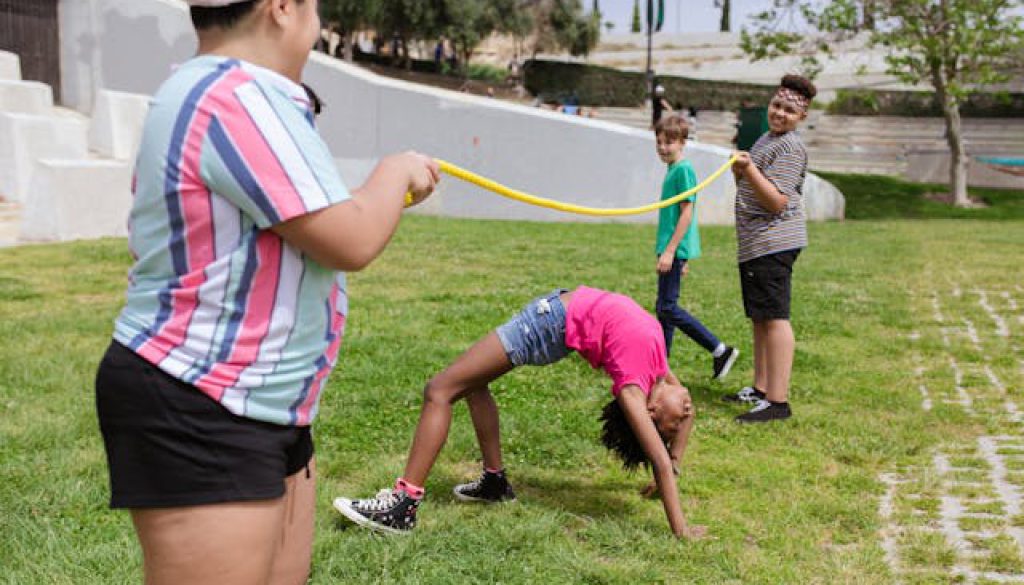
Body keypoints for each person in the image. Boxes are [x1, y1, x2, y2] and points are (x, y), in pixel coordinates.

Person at [92, 1, 439, 584]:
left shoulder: (224, 91)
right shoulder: (234, 97)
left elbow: (310, 217)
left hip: (260, 401)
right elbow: (350, 237)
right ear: (281, 7)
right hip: (200, 401)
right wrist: (395, 172)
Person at [334, 286, 707, 540]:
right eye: (679, 421)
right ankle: (494, 483)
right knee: (471, 383)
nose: (686, 410)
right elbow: (682, 424)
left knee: (439, 390)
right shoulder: (658, 371)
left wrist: (681, 528)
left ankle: (403, 505)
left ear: (650, 411)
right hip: (549, 318)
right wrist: (674, 461)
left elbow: (656, 457)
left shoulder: (633, 387)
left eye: (670, 424)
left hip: (542, 327)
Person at [723, 74, 817, 423]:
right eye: (777, 105)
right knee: (760, 317)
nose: (780, 114)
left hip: (774, 242)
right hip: (755, 243)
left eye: (789, 111)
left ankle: (777, 401)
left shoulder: (791, 147)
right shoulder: (766, 139)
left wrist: (749, 169)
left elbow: (776, 201)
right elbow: (749, 185)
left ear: (801, 117)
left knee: (775, 318)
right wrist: (741, 169)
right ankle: (761, 389)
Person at [653, 114, 738, 380]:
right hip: (671, 249)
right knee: (663, 308)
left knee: (667, 307)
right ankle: (660, 367)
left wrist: (672, 251)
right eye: (659, 142)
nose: (663, 147)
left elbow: (687, 214)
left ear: (682, 143)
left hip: (672, 249)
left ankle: (719, 349)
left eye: (669, 142)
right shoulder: (672, 170)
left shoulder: (684, 171)